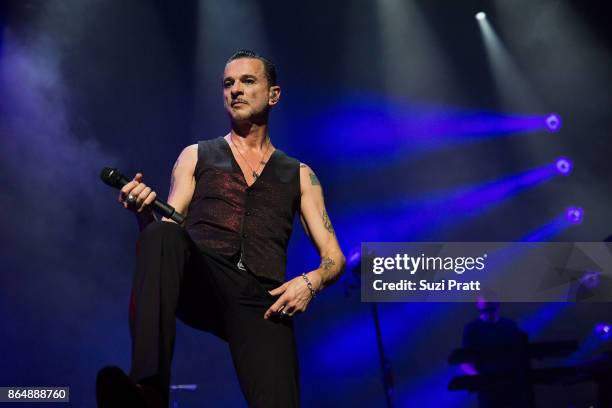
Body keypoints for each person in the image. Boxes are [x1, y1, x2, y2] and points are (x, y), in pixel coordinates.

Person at [96, 50, 346, 408]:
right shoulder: (196, 155)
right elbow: (167, 234)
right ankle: (148, 391)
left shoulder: (300, 175)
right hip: (204, 276)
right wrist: (141, 216)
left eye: (247, 81)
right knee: (161, 234)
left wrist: (311, 283)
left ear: (273, 95)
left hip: (262, 300)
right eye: (228, 83)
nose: (235, 90)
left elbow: (334, 257)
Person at [461, 295, 534, 408]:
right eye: (485, 309)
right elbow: (464, 361)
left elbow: (521, 354)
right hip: (489, 390)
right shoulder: (473, 329)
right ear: (478, 306)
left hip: (512, 386)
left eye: (491, 308)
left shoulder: (509, 325)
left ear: (498, 305)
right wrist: (481, 379)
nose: (489, 312)